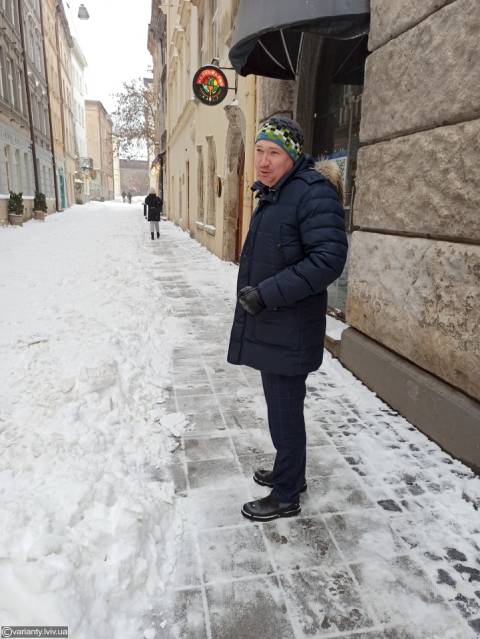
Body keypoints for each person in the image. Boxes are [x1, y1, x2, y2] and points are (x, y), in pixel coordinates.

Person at [227, 116, 348, 522]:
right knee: (282, 409)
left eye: (274, 153)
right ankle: (289, 473)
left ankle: (286, 495)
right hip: (275, 325)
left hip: (289, 327)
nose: (263, 161)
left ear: (292, 156)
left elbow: (328, 259)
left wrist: (266, 294)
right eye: (260, 151)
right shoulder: (278, 191)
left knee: (285, 413)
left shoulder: (311, 193)